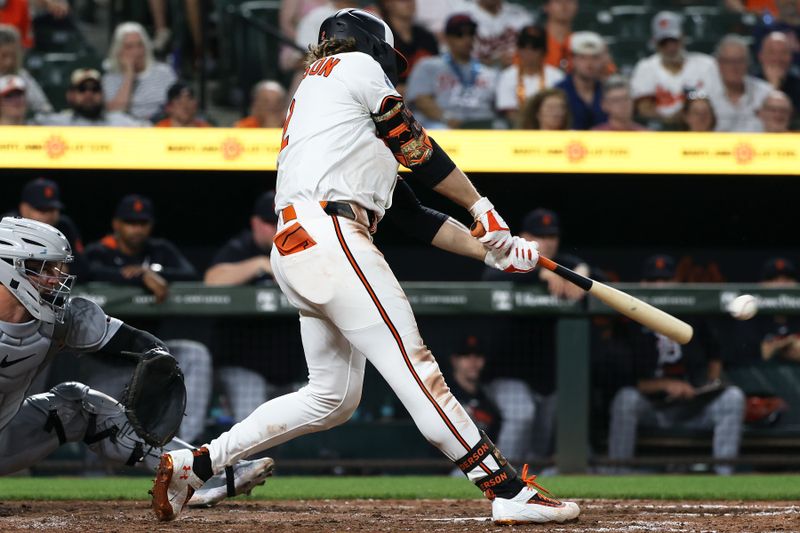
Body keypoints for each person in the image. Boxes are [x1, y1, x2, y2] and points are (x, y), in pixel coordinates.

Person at [152, 8, 579, 525]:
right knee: (417, 370)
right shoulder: (353, 65)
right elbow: (414, 143)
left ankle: (196, 464)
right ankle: (505, 488)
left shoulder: (328, 108)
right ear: (368, 45)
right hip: (331, 236)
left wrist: (493, 250)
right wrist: (480, 204)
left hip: (302, 245)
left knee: (331, 398)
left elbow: (415, 217)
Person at [0, 216, 273, 507]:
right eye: (43, 269)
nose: (55, 278)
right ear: (9, 269)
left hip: (5, 438)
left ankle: (199, 476)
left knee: (79, 403)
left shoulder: (58, 319)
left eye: (57, 267)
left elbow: (134, 341)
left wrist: (158, 358)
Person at [83, 194, 211, 443]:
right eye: (130, 222)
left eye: (142, 223)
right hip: (109, 362)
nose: (136, 228)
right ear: (116, 224)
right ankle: (93, 470)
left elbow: (191, 274)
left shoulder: (159, 250)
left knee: (196, 354)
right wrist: (136, 278)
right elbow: (87, 272)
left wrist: (151, 272)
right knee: (96, 425)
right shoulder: (99, 252)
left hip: (153, 356)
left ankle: (190, 445)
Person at [607, 254, 746, 475]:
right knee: (626, 399)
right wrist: (666, 384)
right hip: (653, 408)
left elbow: (716, 354)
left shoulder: (694, 314)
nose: (659, 286)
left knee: (733, 397)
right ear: (642, 284)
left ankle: (724, 477)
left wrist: (708, 385)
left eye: (665, 279)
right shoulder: (630, 323)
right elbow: (626, 379)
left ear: (676, 282)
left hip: (694, 407)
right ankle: (617, 474)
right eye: (653, 281)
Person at [482, 208, 589, 465]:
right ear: (524, 236)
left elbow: (600, 278)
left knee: (545, 437)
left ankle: (531, 485)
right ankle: (499, 477)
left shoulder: (566, 263)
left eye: (552, 236)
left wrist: (583, 271)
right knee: (523, 414)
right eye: (540, 235)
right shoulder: (506, 257)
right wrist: (539, 272)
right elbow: (491, 277)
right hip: (506, 373)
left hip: (547, 378)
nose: (548, 241)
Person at [204, 191, 281, 423]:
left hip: (288, 367)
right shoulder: (242, 247)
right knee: (255, 426)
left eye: (282, 221)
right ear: (255, 223)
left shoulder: (299, 246)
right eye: (270, 222)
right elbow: (212, 280)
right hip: (241, 364)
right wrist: (261, 265)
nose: (277, 228)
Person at [406, 13, 499, 129]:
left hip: (481, 126)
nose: (467, 39)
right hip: (443, 125)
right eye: (459, 34)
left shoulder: (489, 72)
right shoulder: (428, 65)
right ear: (447, 38)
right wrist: (446, 118)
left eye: (471, 33)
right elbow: (421, 100)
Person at [629, 12, 716, 129]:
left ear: (683, 38)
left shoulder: (705, 64)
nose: (670, 48)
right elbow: (643, 108)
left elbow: (714, 104)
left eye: (674, 41)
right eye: (664, 43)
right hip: (660, 132)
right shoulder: (645, 68)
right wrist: (673, 120)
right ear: (655, 43)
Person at [7, 177, 86, 278]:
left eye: (52, 209)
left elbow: (83, 268)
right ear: (24, 209)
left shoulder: (64, 227)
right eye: (42, 210)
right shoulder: (8, 227)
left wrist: (53, 269)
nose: (48, 215)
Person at [103, 21, 178, 122]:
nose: (136, 52)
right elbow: (115, 111)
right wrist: (129, 74)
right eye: (129, 47)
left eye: (140, 45)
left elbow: (177, 107)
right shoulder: (110, 78)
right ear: (118, 51)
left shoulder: (164, 72)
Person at [495, 25, 565, 126]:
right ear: (518, 50)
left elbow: (559, 110)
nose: (528, 52)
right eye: (524, 47)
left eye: (534, 48)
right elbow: (509, 112)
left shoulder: (556, 76)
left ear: (543, 52)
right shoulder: (507, 76)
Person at [35, 68, 146, 127]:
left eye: (95, 89)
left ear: (102, 94)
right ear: (70, 95)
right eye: (82, 89)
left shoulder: (118, 121)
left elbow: (147, 130)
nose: (89, 94)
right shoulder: (57, 123)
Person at [707, 34, 773, 132]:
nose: (734, 67)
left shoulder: (766, 93)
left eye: (739, 61)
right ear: (718, 64)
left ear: (748, 63)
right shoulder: (706, 95)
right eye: (728, 61)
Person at [448, 335, 502, 442]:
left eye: (478, 355)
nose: (473, 361)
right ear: (454, 360)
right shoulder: (442, 395)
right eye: (466, 355)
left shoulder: (489, 403)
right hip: (441, 458)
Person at [378, 0, 439, 91]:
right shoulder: (379, 37)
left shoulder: (427, 37)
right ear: (388, 4)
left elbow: (438, 76)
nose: (409, 2)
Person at [554, 31, 607, 130]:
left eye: (595, 58)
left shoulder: (607, 91)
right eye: (583, 58)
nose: (589, 64)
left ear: (602, 60)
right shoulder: (559, 92)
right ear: (573, 60)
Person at [465, 0, 533, 68]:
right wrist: (495, 61)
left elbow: (534, 51)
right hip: (475, 74)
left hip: (514, 73)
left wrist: (516, 59)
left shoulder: (521, 15)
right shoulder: (463, 15)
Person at [0, 24, 52, 113]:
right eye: (4, 56)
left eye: (13, 56)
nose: (9, 62)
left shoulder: (22, 76)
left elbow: (44, 109)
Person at [755, 32, 800, 115]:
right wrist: (773, 87)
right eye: (772, 52)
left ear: (791, 57)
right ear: (760, 56)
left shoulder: (798, 83)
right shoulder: (749, 84)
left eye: (783, 52)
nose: (777, 58)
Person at [542, 0, 578, 71]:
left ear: (576, 6)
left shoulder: (582, 42)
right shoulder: (532, 43)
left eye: (569, 1)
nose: (564, 6)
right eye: (558, 1)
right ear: (546, 6)